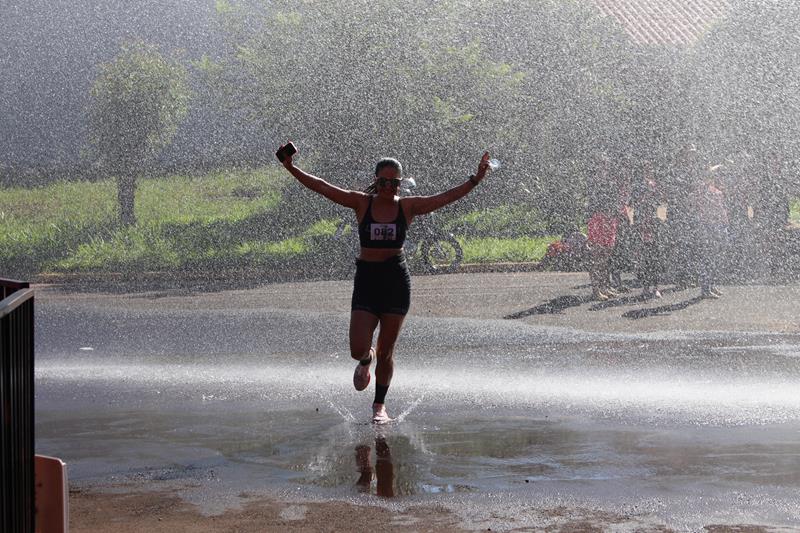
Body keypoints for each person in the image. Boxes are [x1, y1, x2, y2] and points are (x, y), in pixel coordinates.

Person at [278, 143, 492, 423]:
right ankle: (365, 361)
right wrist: (291, 167)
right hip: (367, 279)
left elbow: (446, 197)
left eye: (394, 182)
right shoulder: (361, 203)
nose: (388, 187)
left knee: (387, 350)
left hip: (395, 281)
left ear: (400, 184)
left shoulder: (408, 207)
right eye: (383, 181)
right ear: (375, 181)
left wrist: (476, 178)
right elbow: (322, 187)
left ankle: (379, 405)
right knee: (357, 348)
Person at [692, 167, 729, 299]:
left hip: (718, 225)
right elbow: (700, 204)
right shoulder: (701, 189)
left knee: (715, 257)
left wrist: (724, 221)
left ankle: (711, 285)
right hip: (708, 225)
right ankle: (705, 289)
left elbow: (721, 207)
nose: (711, 177)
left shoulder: (715, 188)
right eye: (708, 175)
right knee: (707, 257)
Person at [630, 161, 663, 298]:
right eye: (645, 168)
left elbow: (661, 203)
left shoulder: (656, 185)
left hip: (654, 226)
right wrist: (632, 222)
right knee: (644, 259)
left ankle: (655, 287)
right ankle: (645, 287)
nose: (648, 170)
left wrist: (661, 220)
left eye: (650, 168)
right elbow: (631, 205)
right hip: (642, 226)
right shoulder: (637, 186)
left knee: (655, 258)